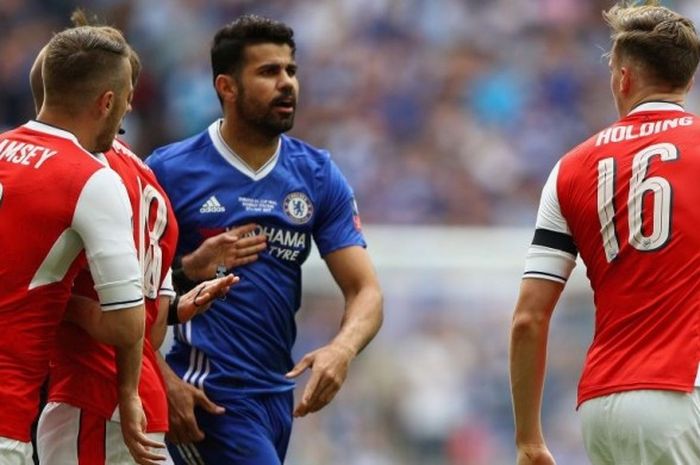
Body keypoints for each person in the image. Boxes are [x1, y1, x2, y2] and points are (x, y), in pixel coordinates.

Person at [146, 14, 384, 465]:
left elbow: (365, 290)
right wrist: (159, 378)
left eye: (290, 71)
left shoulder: (316, 174)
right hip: (210, 393)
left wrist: (342, 347)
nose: (287, 83)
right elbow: (120, 294)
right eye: (268, 72)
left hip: (275, 396)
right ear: (226, 87)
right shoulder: (169, 171)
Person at [27, 13, 259, 465]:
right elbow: (151, 324)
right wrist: (184, 283)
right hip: (135, 399)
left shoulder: (81, 177)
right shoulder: (149, 184)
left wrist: (54, 299)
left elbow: (127, 322)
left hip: (93, 400)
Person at [509, 2, 700, 464]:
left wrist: (528, 439)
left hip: (602, 406)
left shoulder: (570, 169)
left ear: (624, 78)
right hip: (683, 391)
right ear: (688, 80)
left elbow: (528, 319)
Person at [0, 25, 160, 464]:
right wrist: (60, 300)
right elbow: (126, 325)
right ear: (107, 102)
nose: (127, 111)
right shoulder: (90, 178)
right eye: (126, 98)